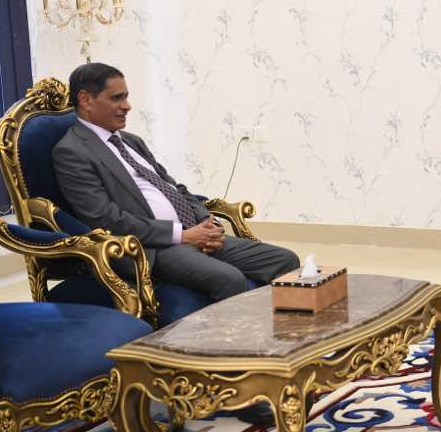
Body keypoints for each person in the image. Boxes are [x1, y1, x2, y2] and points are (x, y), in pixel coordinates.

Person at [54, 63, 301, 304]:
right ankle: (235, 334)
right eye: (117, 98)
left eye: (126, 97)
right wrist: (181, 236)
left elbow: (173, 187)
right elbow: (106, 219)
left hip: (193, 231)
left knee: (285, 261)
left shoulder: (130, 140)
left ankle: (281, 329)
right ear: (86, 100)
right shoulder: (72, 151)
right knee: (230, 279)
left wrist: (206, 221)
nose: (127, 106)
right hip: (152, 247)